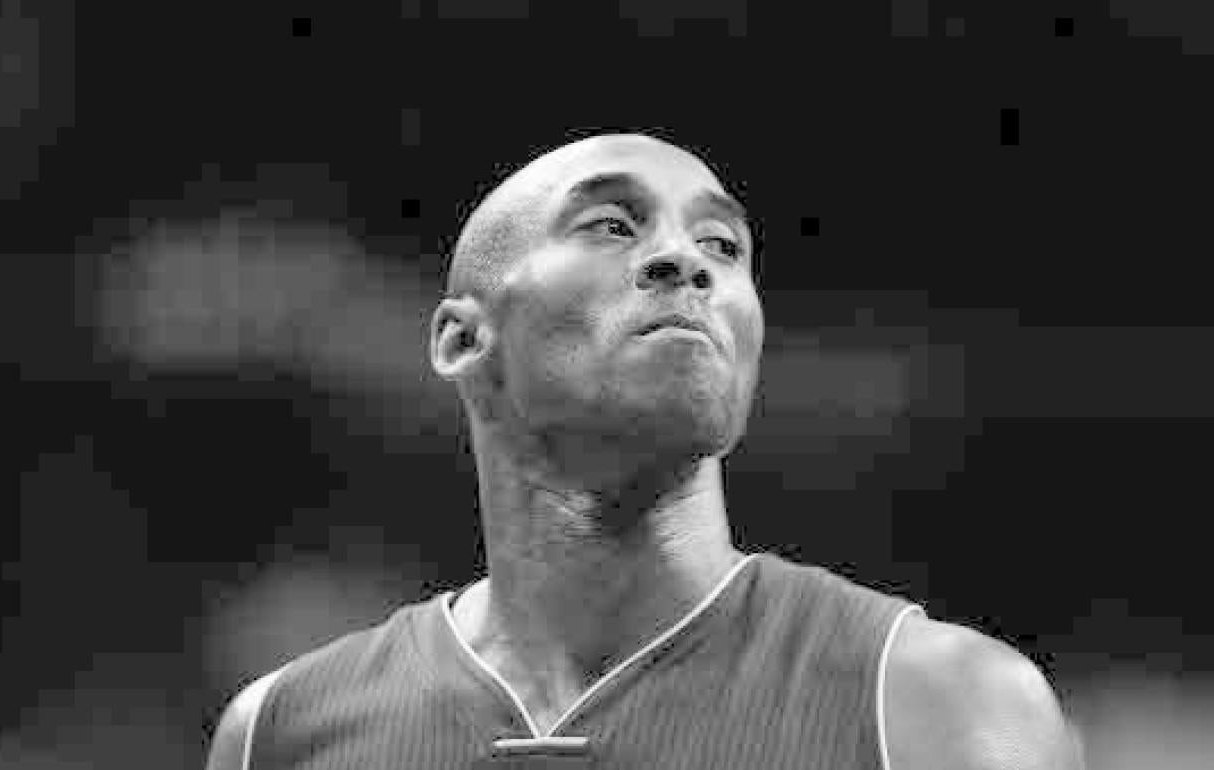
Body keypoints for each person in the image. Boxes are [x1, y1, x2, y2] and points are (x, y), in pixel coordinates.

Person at [205, 132, 1085, 769]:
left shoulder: (939, 703)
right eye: (611, 226)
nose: (684, 261)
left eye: (722, 245)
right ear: (463, 340)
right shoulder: (282, 731)